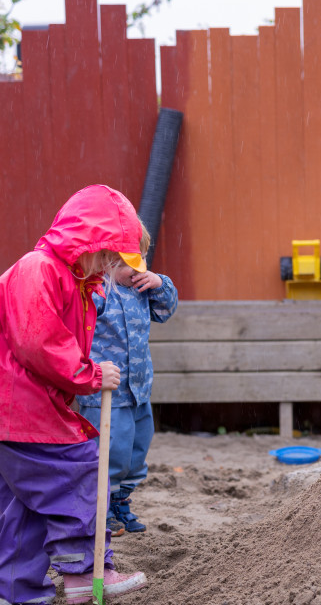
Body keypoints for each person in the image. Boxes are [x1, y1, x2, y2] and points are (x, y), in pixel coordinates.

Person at [0, 184, 149, 605]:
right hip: (24, 410)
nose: (107, 267)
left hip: (17, 411)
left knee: (23, 505)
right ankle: (85, 570)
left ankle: (17, 590)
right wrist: (91, 374)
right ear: (83, 242)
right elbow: (37, 341)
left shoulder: (76, 280)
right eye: (104, 256)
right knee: (78, 473)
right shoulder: (39, 270)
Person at [76, 221, 178, 536]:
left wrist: (160, 282)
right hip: (104, 392)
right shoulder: (97, 290)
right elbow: (76, 321)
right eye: (127, 264)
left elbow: (166, 310)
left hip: (138, 389)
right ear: (107, 261)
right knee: (109, 452)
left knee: (136, 450)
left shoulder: (142, 289)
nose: (135, 270)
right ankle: (100, 509)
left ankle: (121, 501)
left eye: (140, 260)